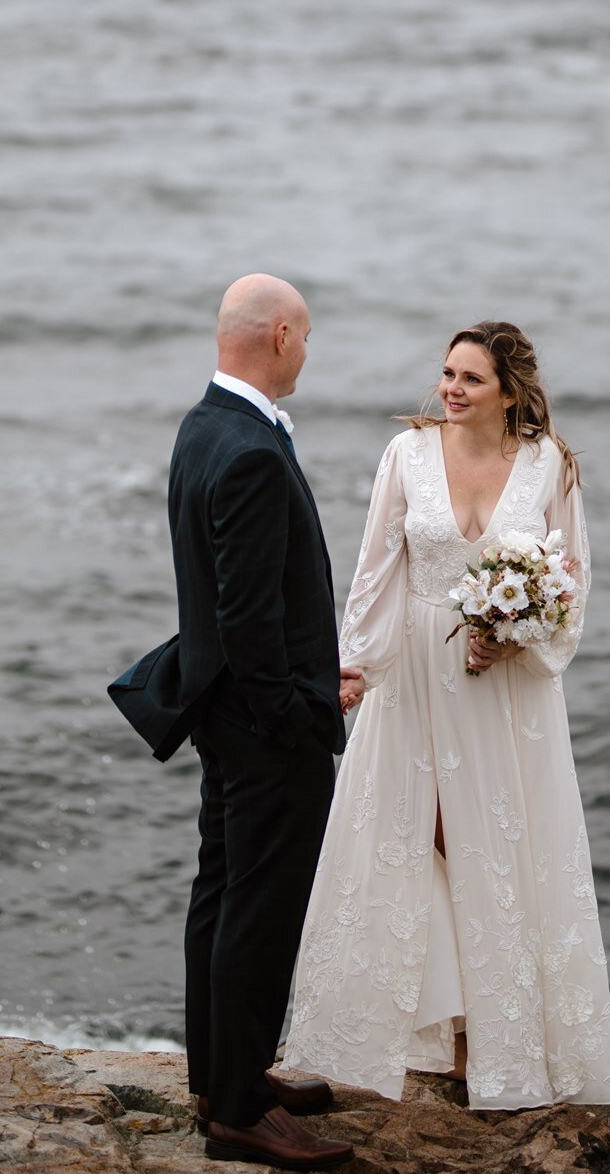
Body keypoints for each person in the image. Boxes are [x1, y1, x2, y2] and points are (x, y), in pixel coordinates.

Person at [283, 321, 610, 1109]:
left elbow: (570, 584)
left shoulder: (549, 466)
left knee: (498, 851)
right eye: (446, 373)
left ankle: (490, 1045)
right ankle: (386, 1032)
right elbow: (374, 569)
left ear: (508, 390)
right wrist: (352, 666)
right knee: (409, 839)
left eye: (469, 378)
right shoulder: (405, 454)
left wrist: (518, 639)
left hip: (503, 687)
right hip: (412, 675)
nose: (451, 389)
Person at [162, 275, 356, 1171]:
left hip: (222, 713)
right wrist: (297, 708)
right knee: (260, 909)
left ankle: (220, 1074)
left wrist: (311, 671)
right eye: (306, 337)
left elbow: (246, 597)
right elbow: (247, 618)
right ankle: (238, 1109)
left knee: (223, 889)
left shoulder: (205, 426)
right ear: (279, 335)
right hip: (262, 727)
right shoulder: (247, 449)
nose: (308, 352)